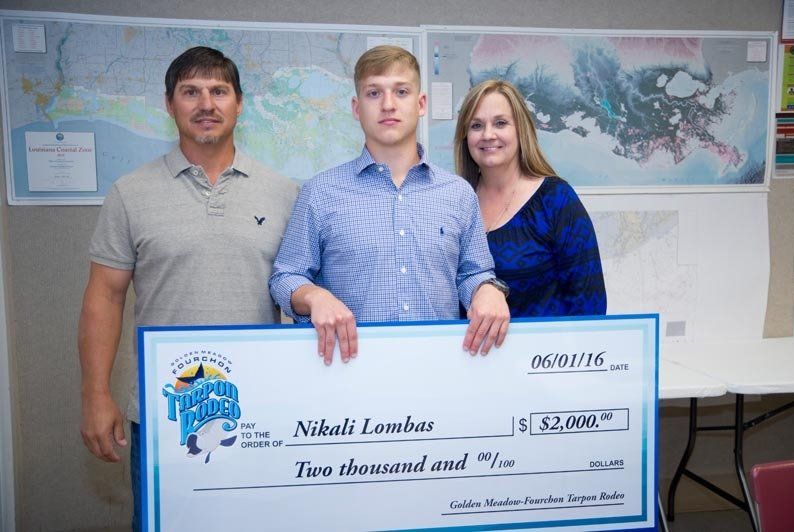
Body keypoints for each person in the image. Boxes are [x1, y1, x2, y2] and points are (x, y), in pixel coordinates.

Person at [78, 46, 298, 530]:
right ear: (169, 103)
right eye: (190, 92)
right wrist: (95, 393)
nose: (206, 104)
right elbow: (104, 297)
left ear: (240, 104)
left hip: (257, 414)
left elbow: (300, 291)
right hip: (164, 416)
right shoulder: (130, 193)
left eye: (219, 91)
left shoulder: (284, 193)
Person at [269, 45, 510, 365]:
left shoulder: (458, 194)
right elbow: (285, 277)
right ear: (357, 108)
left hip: (440, 370)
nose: (388, 104)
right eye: (374, 93)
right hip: (348, 374)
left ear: (420, 104)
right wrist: (315, 296)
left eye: (401, 91)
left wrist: (488, 289)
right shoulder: (320, 192)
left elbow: (474, 273)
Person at [453, 79, 606, 317]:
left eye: (500, 123)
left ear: (520, 130)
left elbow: (590, 304)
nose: (488, 134)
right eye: (476, 125)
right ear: (465, 136)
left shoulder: (556, 200)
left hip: (550, 343)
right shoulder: (454, 203)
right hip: (466, 342)